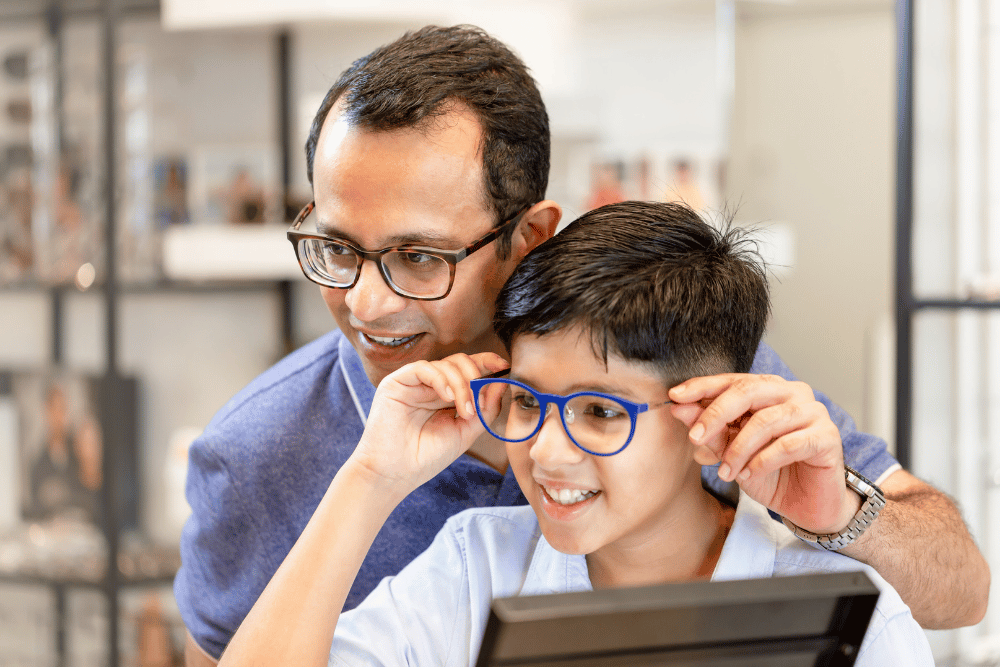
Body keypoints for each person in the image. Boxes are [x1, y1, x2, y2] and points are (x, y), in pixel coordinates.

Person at [175, 24, 987, 666]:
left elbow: (960, 592)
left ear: (529, 236)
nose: (364, 300)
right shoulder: (258, 456)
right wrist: (368, 481)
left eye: (419, 257)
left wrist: (845, 515)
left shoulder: (681, 362)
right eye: (339, 246)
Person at [218, 201, 933, 665]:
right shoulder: (476, 569)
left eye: (600, 411)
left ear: (706, 415)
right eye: (527, 402)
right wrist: (370, 478)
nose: (547, 452)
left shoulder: (848, 610)